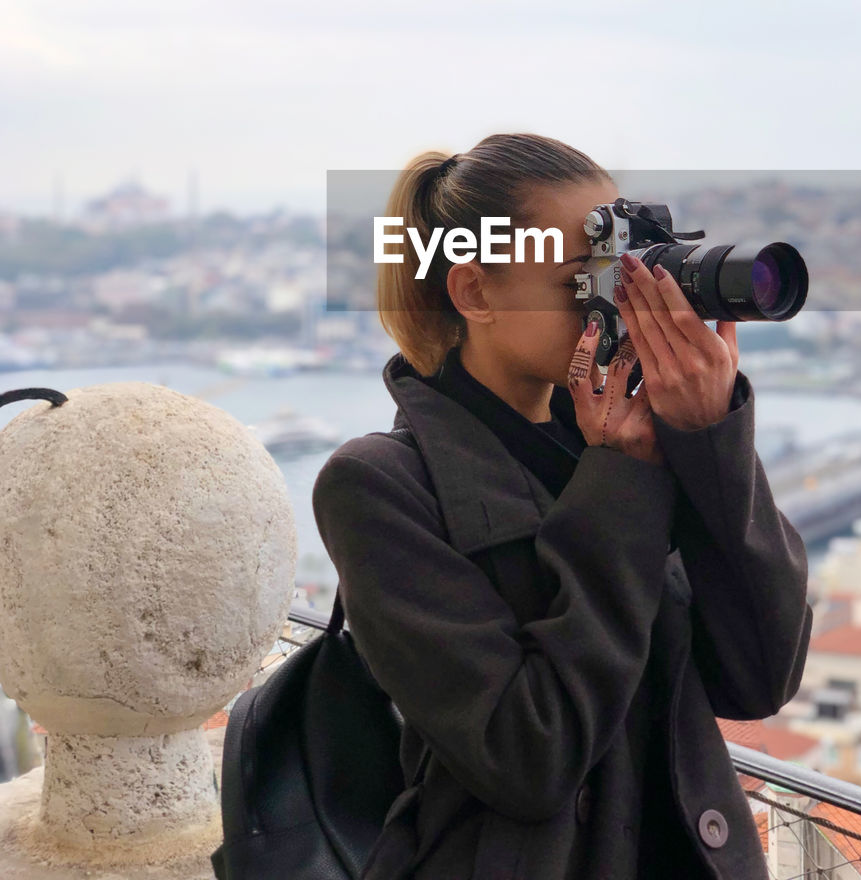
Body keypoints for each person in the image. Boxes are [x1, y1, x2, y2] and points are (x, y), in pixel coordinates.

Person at [312, 132, 812, 880]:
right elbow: (526, 757)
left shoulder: (630, 445)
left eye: (633, 269)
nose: (622, 297)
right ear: (476, 292)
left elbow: (761, 678)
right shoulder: (378, 487)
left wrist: (711, 440)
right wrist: (623, 477)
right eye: (590, 277)